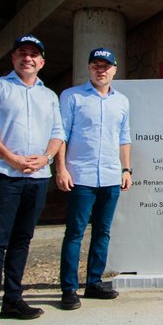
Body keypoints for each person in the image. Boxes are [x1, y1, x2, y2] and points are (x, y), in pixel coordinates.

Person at [0, 34, 64, 325]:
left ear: (42, 62)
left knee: (22, 241)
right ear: (12, 58)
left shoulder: (49, 95)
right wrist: (9, 157)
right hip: (4, 176)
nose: (28, 58)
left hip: (37, 178)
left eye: (34, 54)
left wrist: (47, 158)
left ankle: (13, 300)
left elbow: (58, 132)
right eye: (21, 53)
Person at [56, 47, 131, 310]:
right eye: (96, 65)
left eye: (106, 65)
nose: (101, 69)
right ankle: (68, 289)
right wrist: (61, 169)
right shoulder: (71, 96)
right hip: (80, 177)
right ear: (89, 68)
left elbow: (124, 138)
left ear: (114, 69)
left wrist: (126, 169)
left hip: (111, 176)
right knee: (75, 233)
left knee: (103, 232)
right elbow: (60, 135)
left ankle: (94, 283)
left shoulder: (121, 101)